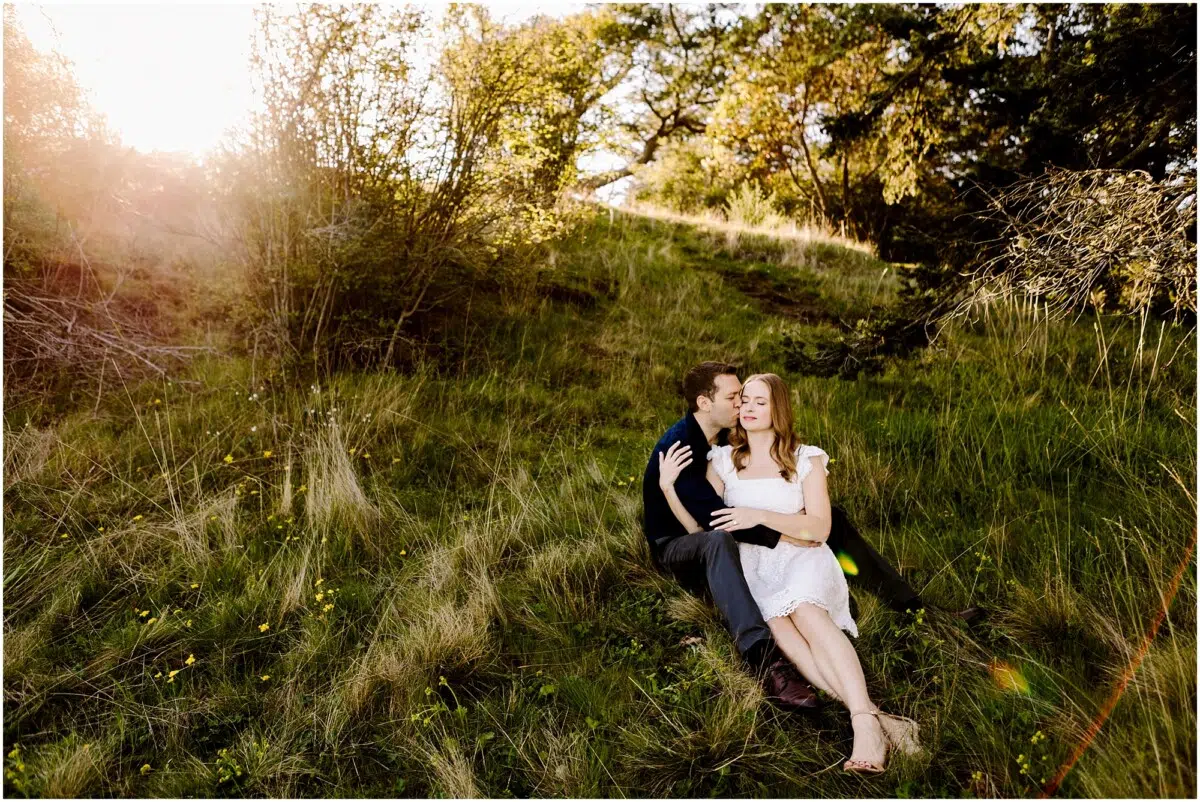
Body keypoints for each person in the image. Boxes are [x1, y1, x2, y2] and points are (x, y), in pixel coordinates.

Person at [641, 362, 980, 710]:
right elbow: (717, 523)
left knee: (835, 523)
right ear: (704, 403)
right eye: (734, 397)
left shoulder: (725, 434)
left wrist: (804, 525)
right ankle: (764, 661)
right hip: (682, 547)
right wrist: (788, 534)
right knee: (727, 540)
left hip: (722, 535)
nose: (742, 405)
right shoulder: (683, 448)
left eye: (746, 397)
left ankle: (913, 608)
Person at [658, 371, 921, 772]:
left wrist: (758, 515)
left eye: (760, 402)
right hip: (754, 566)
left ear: (778, 408)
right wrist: (668, 489)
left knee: (808, 614)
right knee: (782, 632)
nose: (747, 407)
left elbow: (819, 529)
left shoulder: (806, 459)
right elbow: (703, 532)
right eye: (744, 399)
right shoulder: (723, 461)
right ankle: (881, 718)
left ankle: (863, 726)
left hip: (801, 559)